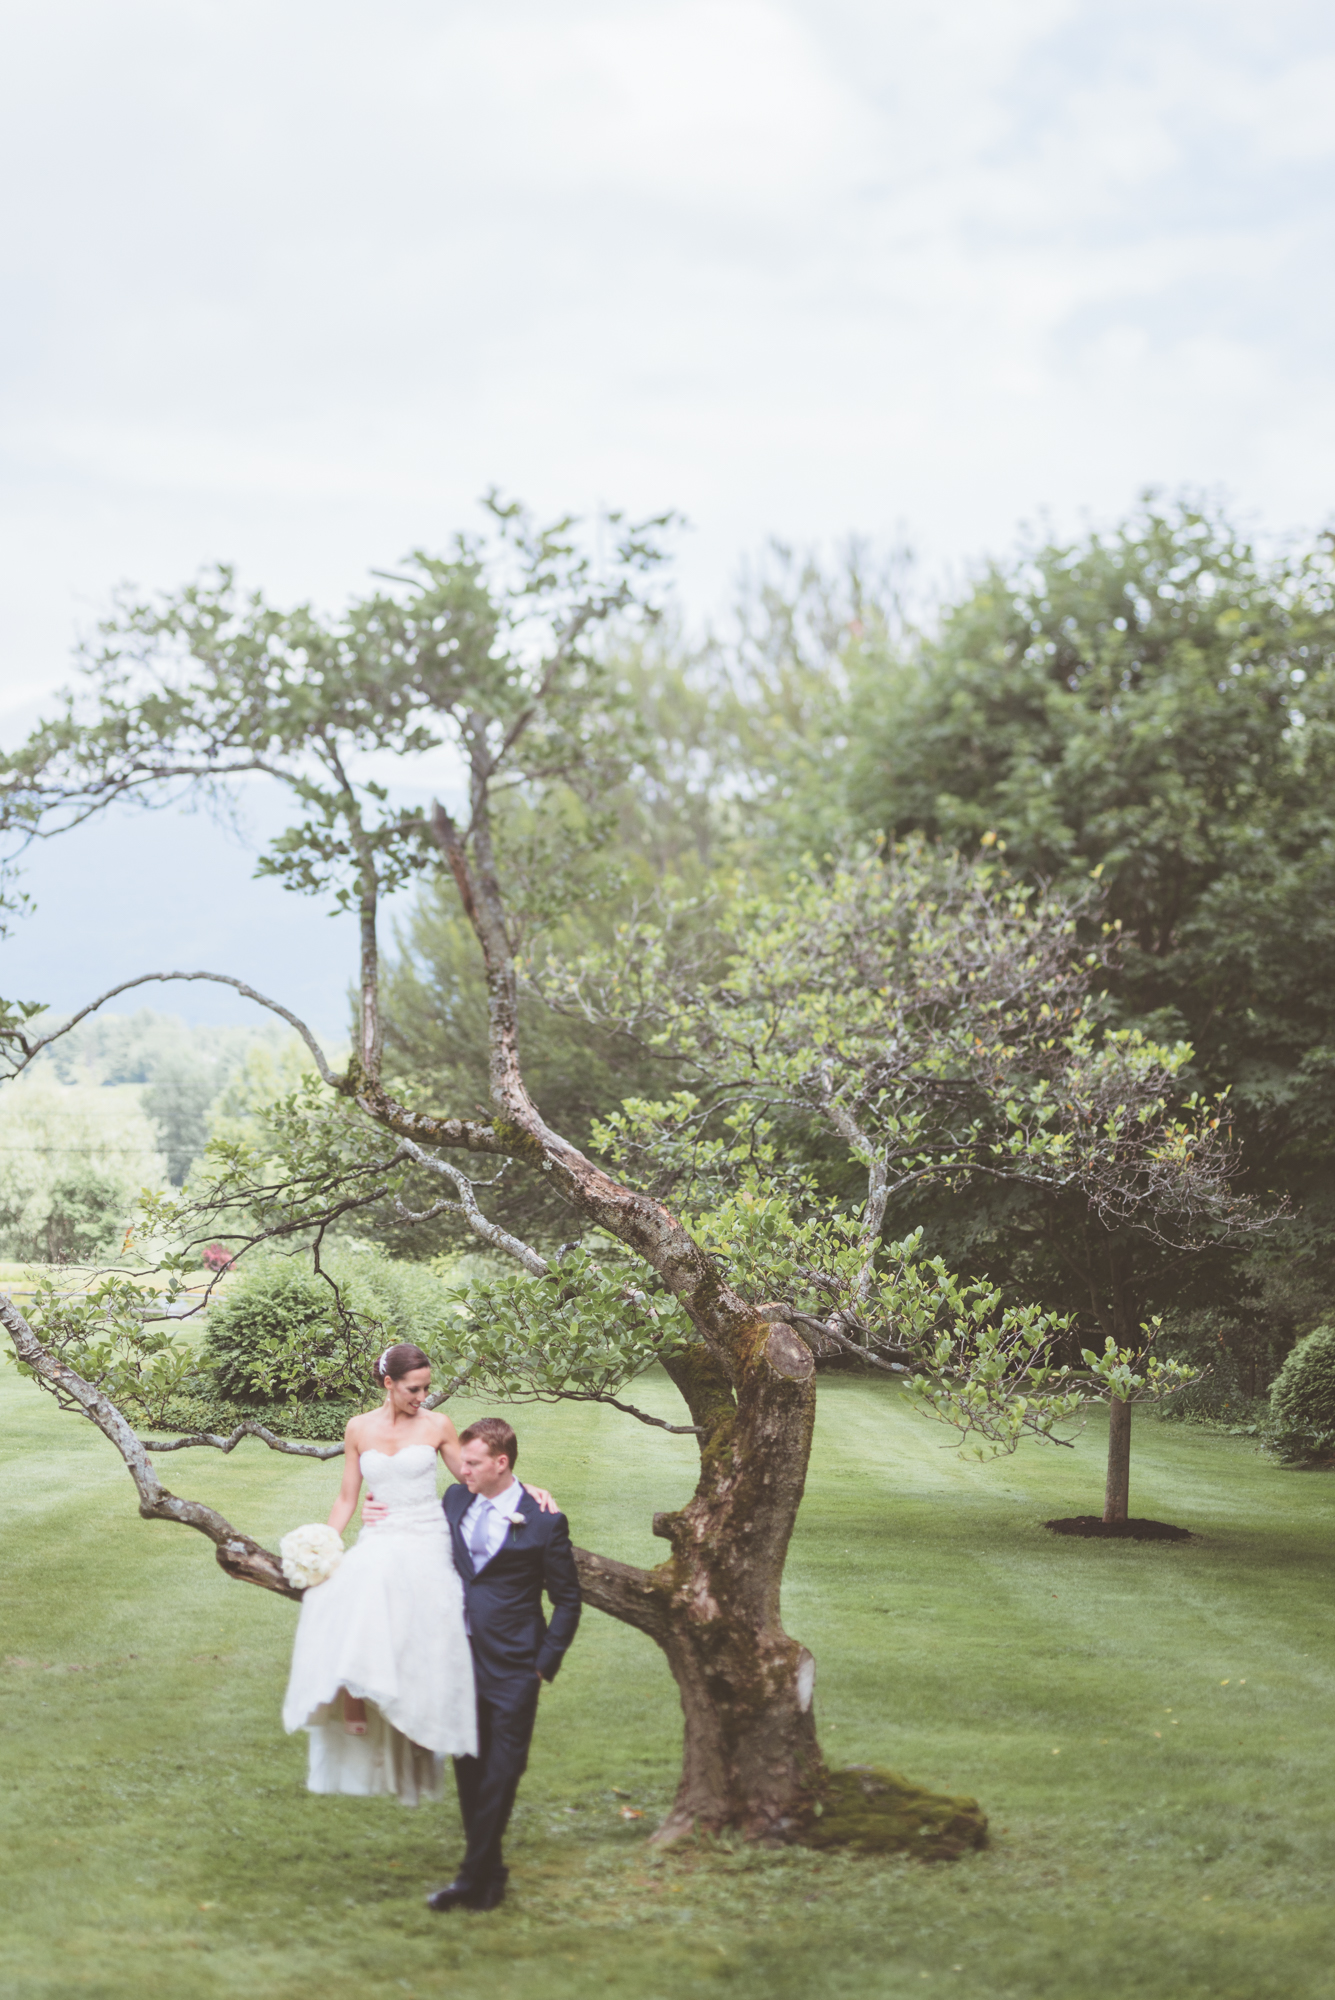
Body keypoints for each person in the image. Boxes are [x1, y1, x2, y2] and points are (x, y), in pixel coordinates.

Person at [281, 1345, 558, 1806]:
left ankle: (417, 1717)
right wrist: (325, 1543)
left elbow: (470, 1475)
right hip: (382, 1530)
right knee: (351, 1589)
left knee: (426, 1614)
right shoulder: (358, 1428)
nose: (423, 1397)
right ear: (388, 1383)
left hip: (427, 1531)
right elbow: (348, 1498)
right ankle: (353, 1689)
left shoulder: (436, 1425)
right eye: (415, 1389)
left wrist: (524, 1489)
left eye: (427, 1387)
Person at [425, 1416, 582, 1913]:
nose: (461, 1470)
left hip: (516, 1665)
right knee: (469, 1767)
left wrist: (543, 1663)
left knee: (504, 1769)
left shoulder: (543, 1521)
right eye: (461, 1461)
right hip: (459, 1657)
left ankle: (470, 1879)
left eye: (471, 1463)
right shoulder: (454, 1500)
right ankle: (489, 1878)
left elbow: (568, 1600)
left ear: (501, 1463)